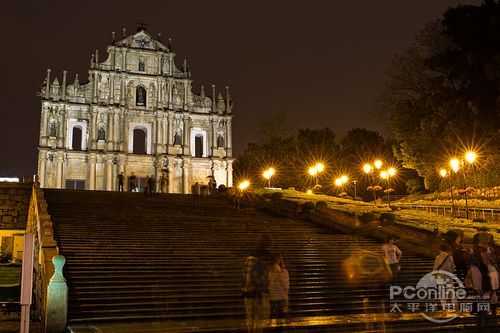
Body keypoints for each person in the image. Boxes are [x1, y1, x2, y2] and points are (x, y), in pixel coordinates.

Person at [469, 232, 498, 325]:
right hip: (483, 275)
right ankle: (482, 316)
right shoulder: (476, 250)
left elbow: (493, 263)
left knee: (490, 293)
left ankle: (487, 313)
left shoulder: (489, 249)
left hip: (489, 275)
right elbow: (475, 266)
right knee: (486, 294)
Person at [268, 254, 289, 321]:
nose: (277, 261)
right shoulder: (270, 271)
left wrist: (286, 293)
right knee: (274, 314)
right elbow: (269, 282)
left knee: (281, 314)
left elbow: (286, 283)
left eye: (278, 259)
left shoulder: (284, 271)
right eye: (276, 260)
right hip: (273, 296)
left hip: (281, 296)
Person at [242, 256, 258, 333]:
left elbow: (259, 282)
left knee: (254, 311)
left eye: (252, 261)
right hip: (247, 293)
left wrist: (254, 287)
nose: (250, 263)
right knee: (248, 310)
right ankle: (250, 326)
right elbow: (242, 281)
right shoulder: (244, 271)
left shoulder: (256, 271)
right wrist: (243, 287)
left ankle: (254, 326)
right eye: (249, 261)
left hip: (254, 293)